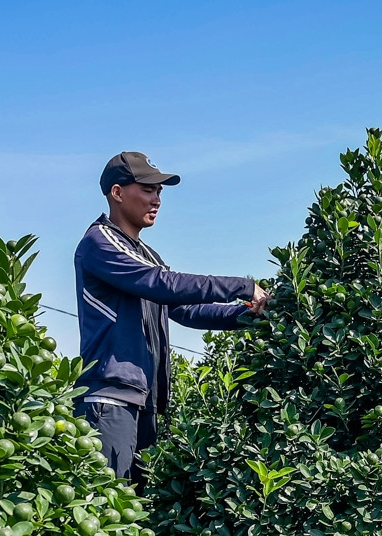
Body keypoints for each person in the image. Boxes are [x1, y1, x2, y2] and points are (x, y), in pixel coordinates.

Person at [74, 151, 268, 486]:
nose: (157, 199)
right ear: (117, 193)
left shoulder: (147, 255)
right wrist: (242, 286)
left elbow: (184, 309)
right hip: (110, 399)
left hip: (142, 402)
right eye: (148, 189)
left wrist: (251, 316)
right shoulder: (99, 242)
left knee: (134, 510)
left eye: (159, 191)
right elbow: (164, 284)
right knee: (108, 506)